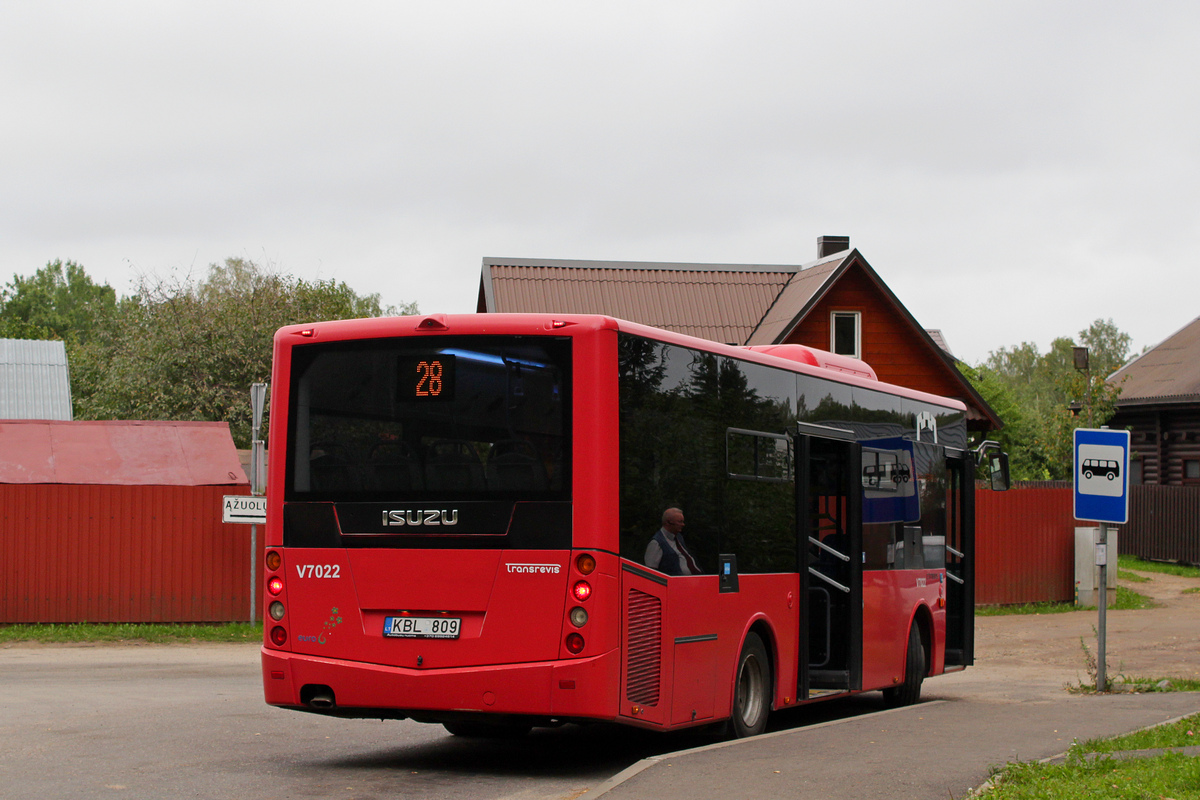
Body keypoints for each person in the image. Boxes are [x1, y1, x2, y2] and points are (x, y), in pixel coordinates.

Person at [644, 507, 702, 576]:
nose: (683, 524)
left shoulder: (679, 537)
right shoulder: (656, 543)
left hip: (695, 580)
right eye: (680, 522)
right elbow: (651, 572)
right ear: (668, 522)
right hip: (676, 583)